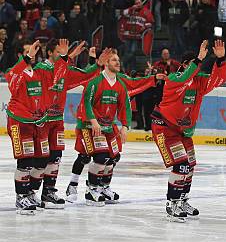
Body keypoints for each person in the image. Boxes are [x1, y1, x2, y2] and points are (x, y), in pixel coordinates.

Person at [71, 51, 161, 205]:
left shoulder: (120, 83)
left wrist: (125, 126)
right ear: (106, 63)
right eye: (114, 60)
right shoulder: (95, 82)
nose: (118, 62)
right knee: (99, 158)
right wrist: (93, 121)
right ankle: (91, 190)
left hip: (107, 126)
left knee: (113, 157)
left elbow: (125, 106)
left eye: (118, 60)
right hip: (91, 125)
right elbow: (87, 103)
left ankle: (104, 187)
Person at [152, 40, 226, 221]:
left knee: (190, 166)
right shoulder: (173, 79)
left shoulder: (199, 82)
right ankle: (172, 203)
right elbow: (184, 77)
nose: (198, 68)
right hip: (165, 128)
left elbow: (218, 79)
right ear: (185, 65)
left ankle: (183, 199)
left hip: (183, 131)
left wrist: (221, 60)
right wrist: (200, 58)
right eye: (194, 64)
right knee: (181, 165)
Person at [39, 41, 109, 208]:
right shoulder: (42, 68)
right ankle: (31, 192)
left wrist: (96, 64)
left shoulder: (65, 69)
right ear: (49, 53)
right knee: (39, 160)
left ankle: (48, 191)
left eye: (63, 52)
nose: (62, 54)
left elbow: (83, 76)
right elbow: (54, 74)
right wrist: (68, 57)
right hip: (41, 121)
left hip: (57, 121)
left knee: (56, 157)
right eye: (58, 51)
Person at [6, 40, 69, 214]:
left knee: (41, 159)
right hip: (19, 122)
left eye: (34, 51)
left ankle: (32, 193)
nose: (32, 54)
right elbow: (12, 84)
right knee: (25, 161)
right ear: (22, 55)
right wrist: (27, 58)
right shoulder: (15, 72)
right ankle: (21, 197)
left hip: (37, 122)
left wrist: (65, 57)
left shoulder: (38, 73)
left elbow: (56, 78)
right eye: (28, 51)